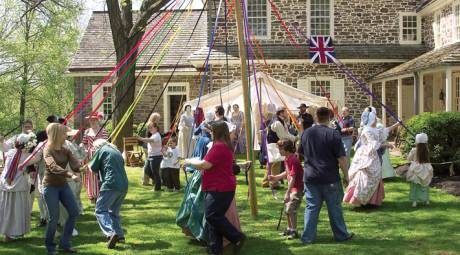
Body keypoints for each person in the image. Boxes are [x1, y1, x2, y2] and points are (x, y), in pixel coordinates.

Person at [184, 121, 246, 255]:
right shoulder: (223, 146)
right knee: (213, 219)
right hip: (219, 187)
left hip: (220, 188)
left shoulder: (219, 147)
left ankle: (237, 237)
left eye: (212, 131)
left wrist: (189, 162)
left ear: (216, 132)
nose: (210, 133)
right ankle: (215, 249)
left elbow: (204, 165)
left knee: (213, 216)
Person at [299, 107, 353, 244]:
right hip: (329, 176)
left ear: (316, 117)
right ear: (329, 117)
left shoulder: (306, 133)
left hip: (311, 176)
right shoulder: (333, 134)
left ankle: (308, 237)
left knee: (311, 207)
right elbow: (341, 158)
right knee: (334, 207)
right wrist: (347, 176)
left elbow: (300, 153)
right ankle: (341, 234)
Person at [42, 123, 81, 255]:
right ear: (57, 135)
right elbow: (53, 167)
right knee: (54, 218)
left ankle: (65, 243)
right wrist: (70, 174)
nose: (66, 136)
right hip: (50, 186)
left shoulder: (66, 150)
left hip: (63, 186)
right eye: (64, 133)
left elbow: (75, 163)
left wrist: (81, 168)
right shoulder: (47, 149)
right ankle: (50, 247)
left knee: (74, 212)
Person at [343, 108, 394, 207]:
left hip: (373, 155)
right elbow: (373, 144)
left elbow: (385, 130)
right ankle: (360, 200)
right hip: (365, 156)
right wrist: (387, 145)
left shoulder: (375, 129)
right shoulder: (367, 130)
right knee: (364, 176)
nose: (376, 120)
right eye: (375, 119)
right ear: (371, 120)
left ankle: (372, 201)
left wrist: (397, 124)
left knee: (375, 175)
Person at [89, 139, 128, 249]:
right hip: (123, 185)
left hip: (111, 184)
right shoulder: (116, 151)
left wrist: (86, 166)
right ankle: (120, 236)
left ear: (97, 146)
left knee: (100, 210)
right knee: (113, 212)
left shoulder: (101, 150)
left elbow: (93, 169)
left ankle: (110, 233)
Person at [0, 134, 35, 243]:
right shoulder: (27, 156)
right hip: (18, 187)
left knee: (6, 209)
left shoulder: (10, 152)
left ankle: (10, 233)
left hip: (6, 184)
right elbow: (37, 157)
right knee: (17, 210)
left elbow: (4, 147)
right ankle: (12, 234)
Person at [268, 139, 304, 240]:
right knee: (287, 210)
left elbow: (293, 177)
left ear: (287, 149)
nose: (279, 151)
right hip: (292, 188)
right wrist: (275, 177)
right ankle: (289, 229)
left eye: (280, 149)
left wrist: (287, 193)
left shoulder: (293, 160)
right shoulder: (287, 158)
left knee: (291, 209)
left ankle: (294, 231)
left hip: (297, 189)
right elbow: (287, 173)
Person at [262, 106, 298, 189]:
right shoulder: (277, 122)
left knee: (271, 164)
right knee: (276, 163)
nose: (287, 113)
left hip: (274, 144)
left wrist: (294, 137)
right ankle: (274, 184)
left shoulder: (280, 121)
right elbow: (283, 136)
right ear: (281, 113)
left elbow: (286, 133)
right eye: (285, 112)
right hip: (274, 144)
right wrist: (294, 138)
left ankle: (266, 181)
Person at [80, 112, 108, 203]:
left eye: (94, 120)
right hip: (89, 156)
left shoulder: (103, 131)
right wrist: (83, 150)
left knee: (99, 175)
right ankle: (92, 195)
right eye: (90, 120)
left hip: (100, 155)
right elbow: (84, 143)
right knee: (91, 175)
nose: (92, 122)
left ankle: (101, 195)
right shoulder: (87, 131)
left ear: (97, 120)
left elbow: (105, 143)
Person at [406, 133, 433, 207]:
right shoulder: (427, 150)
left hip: (416, 169)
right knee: (425, 185)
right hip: (426, 168)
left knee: (415, 186)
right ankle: (426, 200)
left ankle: (414, 202)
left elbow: (408, 159)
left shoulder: (414, 150)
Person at [136, 123, 162, 191]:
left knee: (155, 172)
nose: (150, 129)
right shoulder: (153, 135)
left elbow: (150, 140)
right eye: (149, 128)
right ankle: (159, 181)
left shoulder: (157, 135)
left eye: (151, 127)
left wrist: (140, 138)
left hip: (156, 156)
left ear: (156, 128)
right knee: (147, 170)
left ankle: (157, 187)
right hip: (151, 156)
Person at [142, 113, 161, 186]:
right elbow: (150, 137)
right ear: (154, 119)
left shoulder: (154, 126)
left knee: (151, 166)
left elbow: (157, 136)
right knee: (148, 166)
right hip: (148, 148)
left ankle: (153, 181)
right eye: (158, 119)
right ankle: (146, 181)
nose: (159, 120)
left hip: (151, 148)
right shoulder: (151, 126)